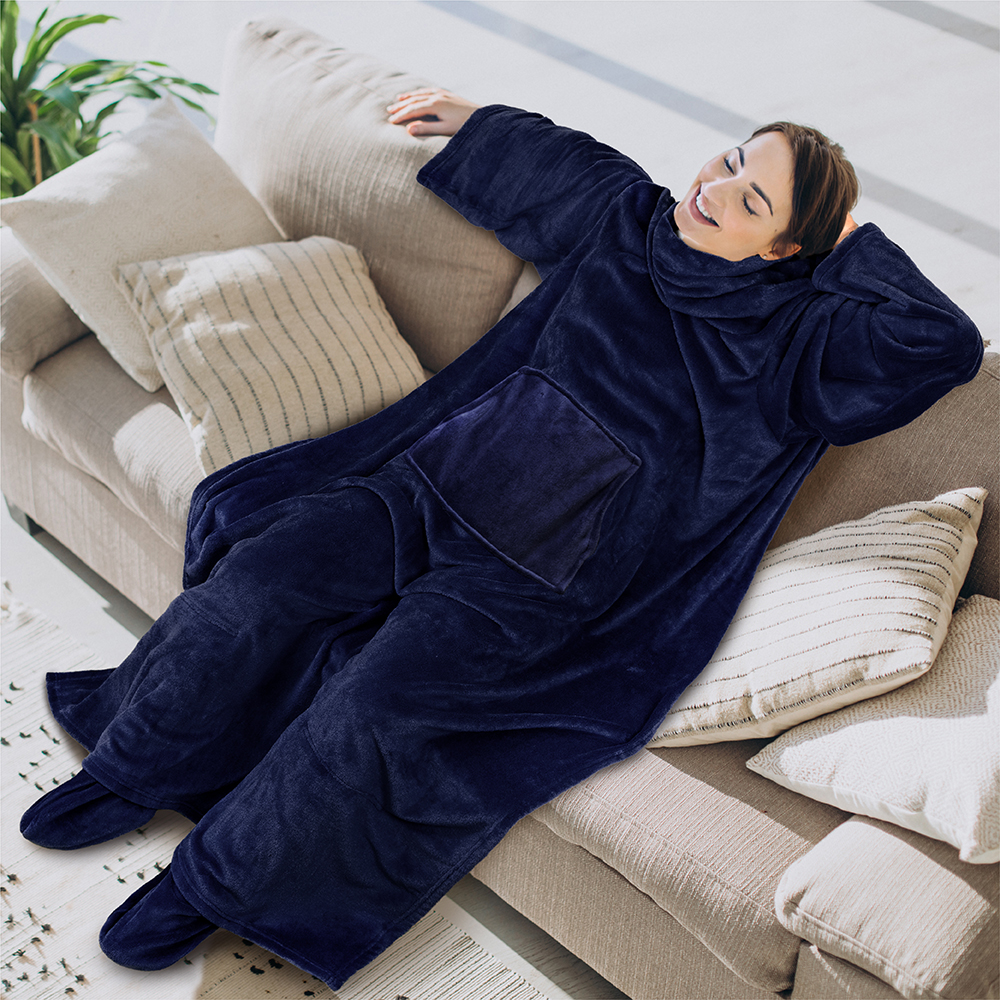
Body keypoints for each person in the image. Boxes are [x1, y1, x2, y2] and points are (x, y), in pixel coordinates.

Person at [21, 90, 983, 990]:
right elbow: (555, 161)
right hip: (424, 482)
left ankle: (212, 887)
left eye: (752, 198)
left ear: (784, 249)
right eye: (731, 160)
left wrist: (851, 249)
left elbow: (938, 341)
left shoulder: (801, 346)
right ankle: (134, 765)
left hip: (542, 578)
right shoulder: (626, 219)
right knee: (260, 578)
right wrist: (472, 116)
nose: (716, 186)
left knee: (374, 711)